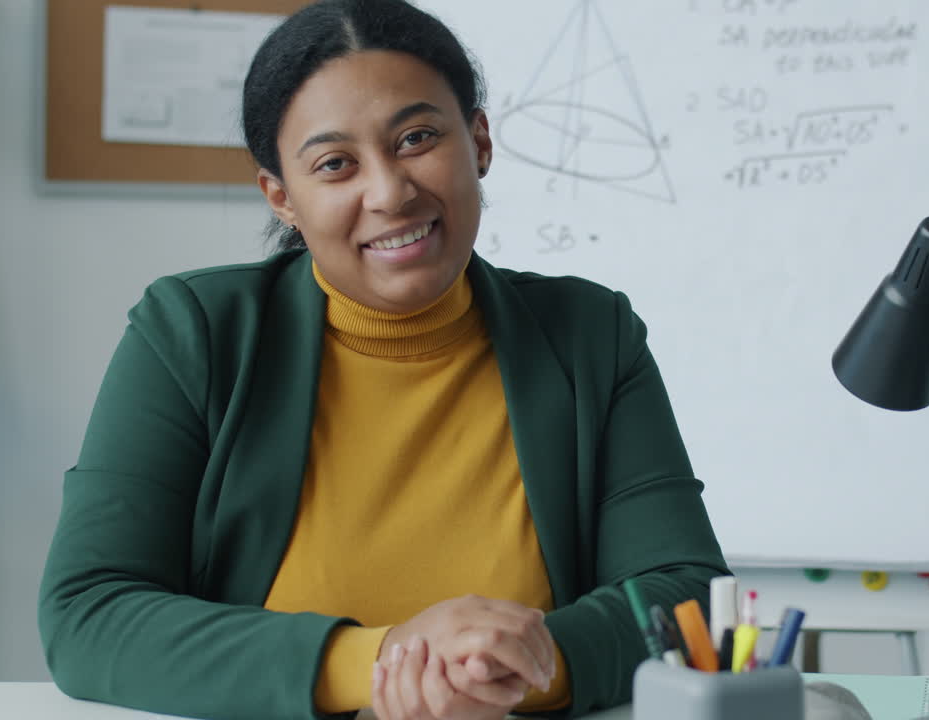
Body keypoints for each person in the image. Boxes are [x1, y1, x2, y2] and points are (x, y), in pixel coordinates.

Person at [36, 1, 729, 719]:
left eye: (417, 137)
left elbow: (690, 596)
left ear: (480, 141)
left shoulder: (591, 333)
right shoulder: (194, 333)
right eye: (335, 164)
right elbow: (90, 614)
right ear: (282, 196)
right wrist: (386, 661)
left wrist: (524, 663)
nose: (390, 192)